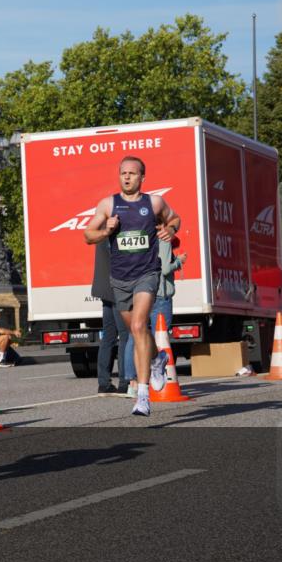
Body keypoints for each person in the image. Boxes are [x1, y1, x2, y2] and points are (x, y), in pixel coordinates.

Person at [84, 155, 181, 416]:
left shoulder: (153, 203)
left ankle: (142, 395)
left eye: (132, 173)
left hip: (147, 274)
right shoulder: (108, 204)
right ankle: (158, 359)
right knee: (137, 332)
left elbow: (175, 219)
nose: (126, 177)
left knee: (139, 326)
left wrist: (170, 231)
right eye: (123, 173)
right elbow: (87, 235)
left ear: (142, 177)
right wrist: (106, 231)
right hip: (119, 279)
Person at [120, 236, 187, 396]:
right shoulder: (163, 241)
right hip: (159, 295)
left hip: (140, 293)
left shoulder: (139, 238)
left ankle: (133, 382)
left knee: (135, 336)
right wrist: (179, 261)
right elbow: (164, 269)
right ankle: (156, 377)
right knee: (160, 338)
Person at [91, 240, 131, 396]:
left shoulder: (101, 231)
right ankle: (124, 382)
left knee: (108, 336)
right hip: (116, 288)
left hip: (104, 289)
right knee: (125, 336)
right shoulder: (112, 230)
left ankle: (104, 383)